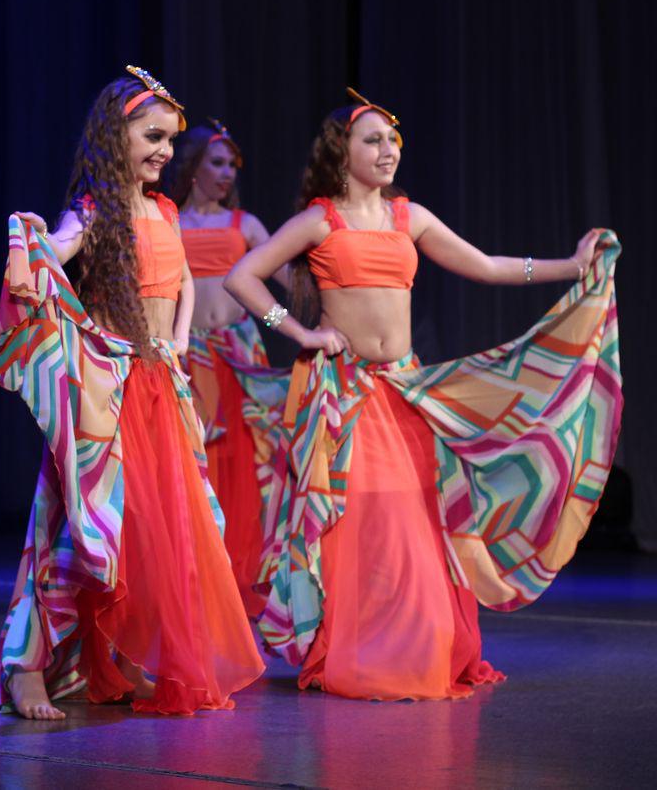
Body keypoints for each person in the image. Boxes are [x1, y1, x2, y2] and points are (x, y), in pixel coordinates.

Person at [224, 87, 623, 701]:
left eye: (393, 141)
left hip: (403, 389)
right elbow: (241, 275)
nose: (388, 151)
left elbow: (485, 265)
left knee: (415, 521)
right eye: (373, 141)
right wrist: (301, 332)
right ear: (341, 152)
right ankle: (361, 649)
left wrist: (572, 267)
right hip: (346, 394)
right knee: (360, 524)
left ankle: (418, 646)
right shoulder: (321, 219)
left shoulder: (410, 217)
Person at [0, 66, 264, 720]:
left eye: (170, 140)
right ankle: (25, 667)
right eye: (153, 137)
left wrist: (177, 341)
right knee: (73, 528)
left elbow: (184, 283)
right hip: (109, 392)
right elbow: (56, 249)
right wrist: (31, 239)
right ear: (115, 136)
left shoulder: (163, 210)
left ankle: (125, 658)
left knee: (153, 535)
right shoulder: (93, 212)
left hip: (160, 388)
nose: (165, 151)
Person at [169, 119, 289, 618]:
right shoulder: (169, 221)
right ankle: (197, 576)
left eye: (232, 166)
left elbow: (285, 286)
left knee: (246, 467)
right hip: (189, 360)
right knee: (198, 464)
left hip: (239, 360)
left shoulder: (246, 225)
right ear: (193, 166)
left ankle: (242, 574)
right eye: (216, 163)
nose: (226, 173)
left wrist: (294, 321)